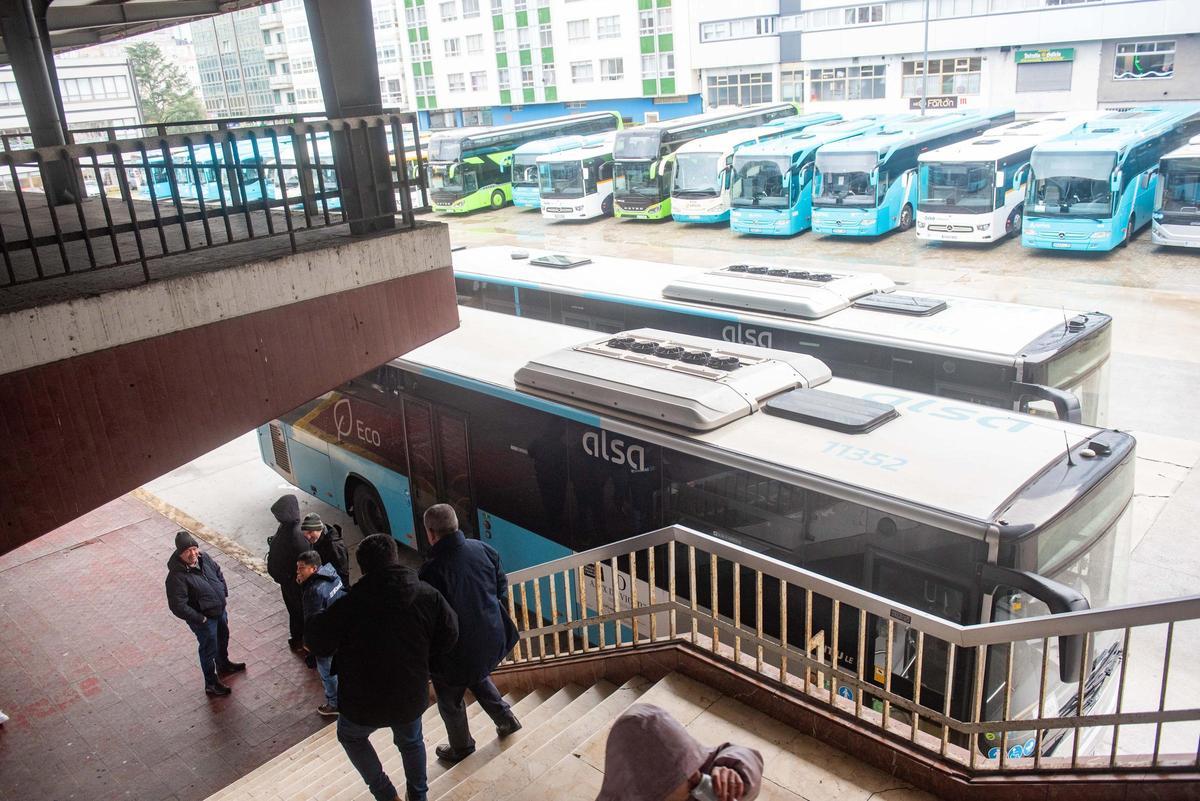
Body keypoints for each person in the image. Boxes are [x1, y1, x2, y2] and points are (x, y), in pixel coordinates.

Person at [306, 533, 459, 801]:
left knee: (351, 737)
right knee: (411, 742)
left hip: (362, 699)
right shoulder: (427, 595)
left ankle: (385, 794)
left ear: (363, 568)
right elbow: (450, 633)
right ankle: (418, 796)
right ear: (394, 558)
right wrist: (424, 658)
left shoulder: (348, 605)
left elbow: (316, 642)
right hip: (409, 692)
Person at [417, 504, 521, 764]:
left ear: (431, 534)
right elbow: (500, 588)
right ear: (455, 525)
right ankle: (506, 719)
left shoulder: (430, 572)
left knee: (450, 699)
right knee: (477, 675)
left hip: (456, 651)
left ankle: (461, 747)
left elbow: (432, 620)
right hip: (491, 638)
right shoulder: (483, 549)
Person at [594, 704, 763, 801]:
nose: (698, 776)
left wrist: (735, 771)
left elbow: (745, 756)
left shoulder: (696, 774)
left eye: (693, 763)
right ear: (656, 787)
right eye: (687, 777)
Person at [164, 530, 246, 697]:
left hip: (219, 610)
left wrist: (223, 592)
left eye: (194, 548)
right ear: (180, 553)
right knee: (209, 649)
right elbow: (177, 605)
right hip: (204, 620)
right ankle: (211, 682)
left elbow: (218, 572)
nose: (193, 553)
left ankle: (223, 663)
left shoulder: (204, 558)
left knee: (223, 638)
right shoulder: (175, 577)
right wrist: (199, 618)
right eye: (188, 551)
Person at [297, 550, 346, 717]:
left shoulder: (313, 591)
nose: (298, 572)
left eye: (302, 568)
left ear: (314, 569)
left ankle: (334, 703)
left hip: (326, 639)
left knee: (327, 672)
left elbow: (312, 622)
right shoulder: (333, 575)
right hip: (341, 632)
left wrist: (308, 643)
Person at [267, 495, 310, 651]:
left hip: (287, 581)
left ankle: (297, 637)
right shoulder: (297, 535)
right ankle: (305, 642)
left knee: (294, 611)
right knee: (302, 611)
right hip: (295, 583)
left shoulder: (285, 530)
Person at [301, 513, 351, 587]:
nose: (308, 537)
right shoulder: (317, 539)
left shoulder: (334, 547)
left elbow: (343, 575)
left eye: (310, 532)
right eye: (305, 533)